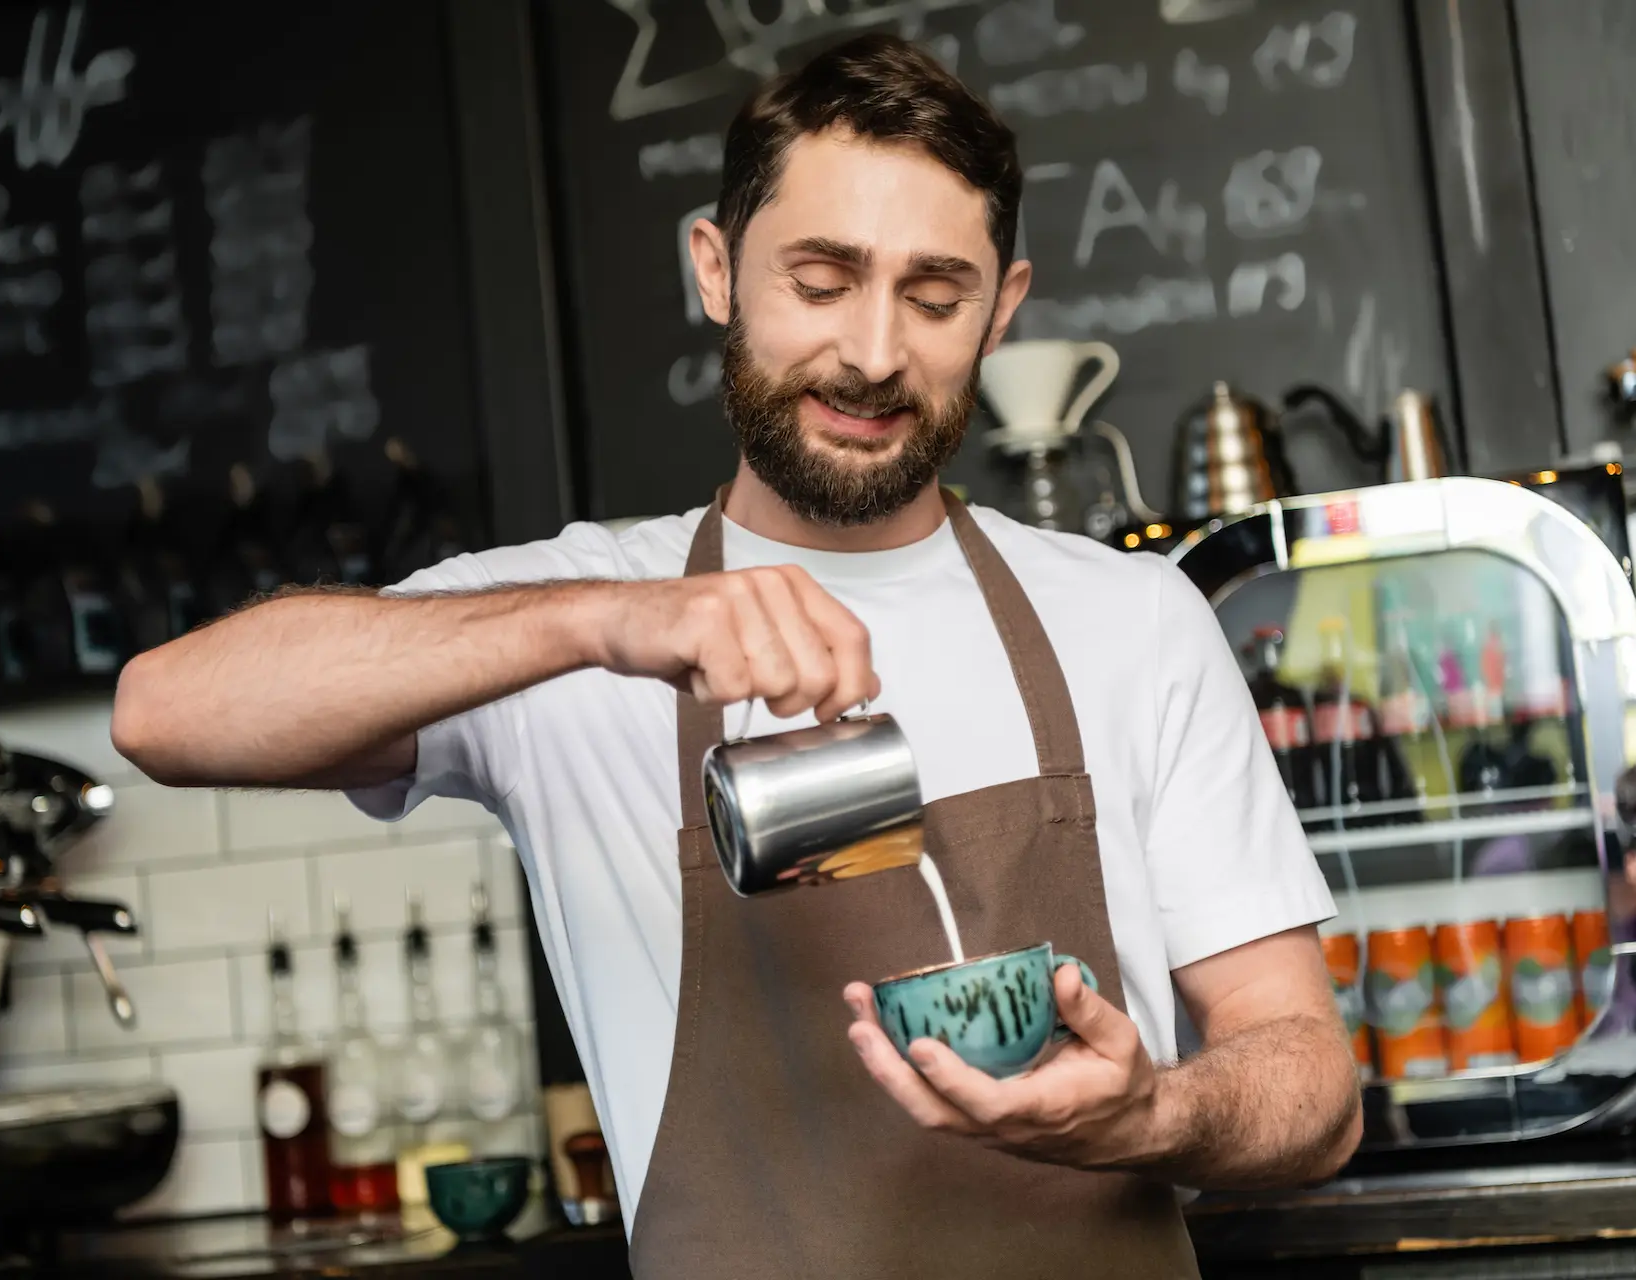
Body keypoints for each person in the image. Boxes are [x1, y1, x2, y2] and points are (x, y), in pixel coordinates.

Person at [111, 31, 1360, 1278]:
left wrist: (1150, 1114)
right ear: (714, 267)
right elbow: (165, 712)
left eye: (933, 297)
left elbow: (1309, 1082)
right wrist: (601, 619)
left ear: (1002, 306)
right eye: (819, 281)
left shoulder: (1129, 620)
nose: (873, 353)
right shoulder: (573, 617)